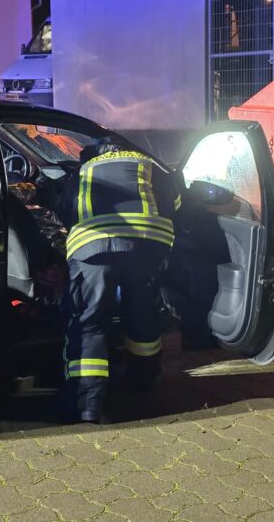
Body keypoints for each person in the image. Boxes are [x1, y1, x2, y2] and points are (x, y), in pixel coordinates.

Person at [59, 138, 182, 423]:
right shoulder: (150, 166)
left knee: (89, 321)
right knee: (142, 313)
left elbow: (67, 210)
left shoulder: (83, 170)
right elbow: (176, 203)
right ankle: (143, 380)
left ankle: (88, 405)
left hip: (94, 248)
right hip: (146, 246)